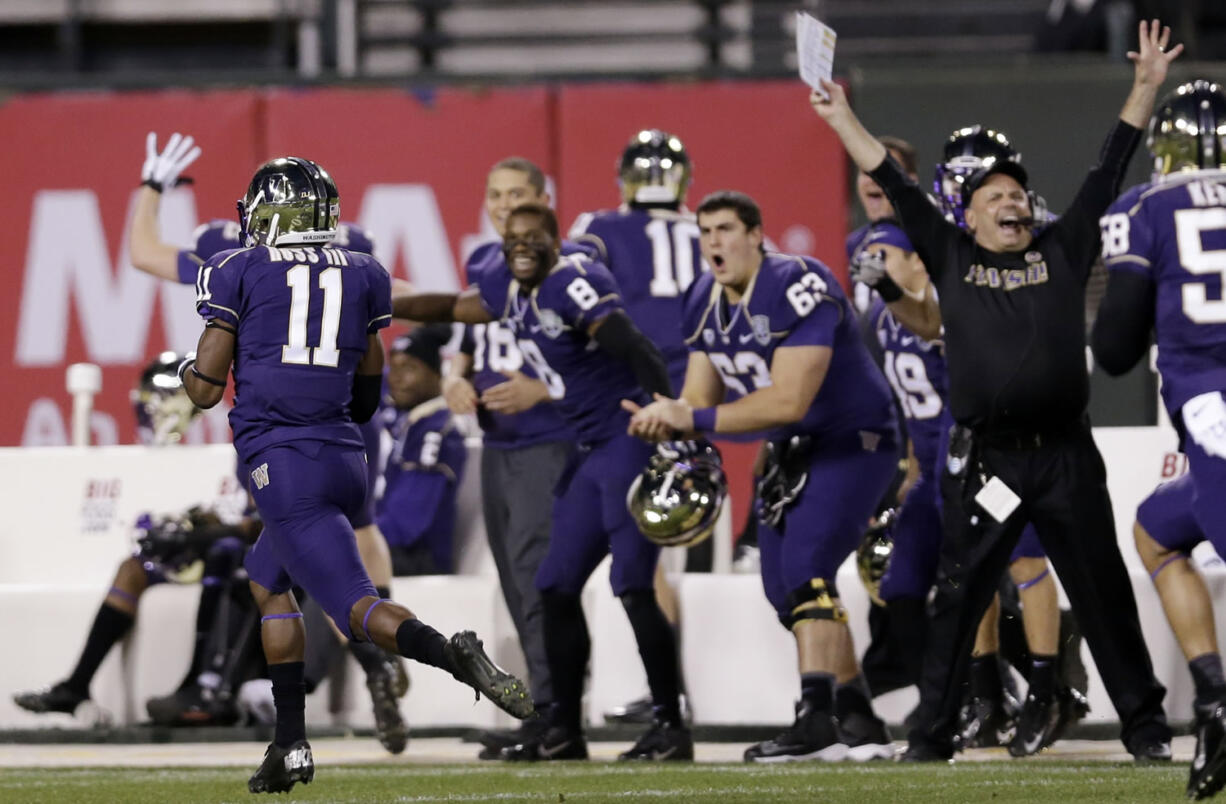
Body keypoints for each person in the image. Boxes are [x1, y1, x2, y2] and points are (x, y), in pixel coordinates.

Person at [810, 18, 1180, 763]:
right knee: (958, 601)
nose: (1011, 201)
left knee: (1104, 596)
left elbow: (1109, 169)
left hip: (1067, 458)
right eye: (995, 194)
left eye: (1018, 190)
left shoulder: (1064, 245)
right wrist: (842, 115)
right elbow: (889, 176)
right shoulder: (945, 252)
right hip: (990, 464)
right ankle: (933, 736)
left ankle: (1146, 731)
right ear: (967, 213)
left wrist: (1143, 88)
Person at [181, 155, 532, 793]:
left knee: (355, 607)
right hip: (346, 459)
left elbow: (205, 391)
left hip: (283, 465)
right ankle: (289, 743)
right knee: (267, 580)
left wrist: (188, 366)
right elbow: (370, 395)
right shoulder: (365, 271)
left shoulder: (235, 267)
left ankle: (451, 655)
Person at [392, 203, 692, 762]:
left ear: (556, 242)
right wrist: (386, 298)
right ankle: (564, 729)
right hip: (589, 451)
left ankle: (672, 724)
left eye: (534, 238)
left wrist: (673, 416)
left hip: (624, 439)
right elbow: (453, 307)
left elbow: (635, 345)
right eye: (514, 238)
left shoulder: (569, 283)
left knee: (633, 584)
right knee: (554, 586)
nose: (522, 246)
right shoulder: (507, 285)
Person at [627, 190, 899, 762]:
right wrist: (667, 421)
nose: (714, 243)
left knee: (806, 569)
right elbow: (700, 394)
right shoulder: (703, 295)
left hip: (855, 440)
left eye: (725, 229)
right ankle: (858, 713)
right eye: (705, 233)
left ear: (756, 234)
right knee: (784, 589)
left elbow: (789, 401)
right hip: (791, 451)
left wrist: (692, 416)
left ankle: (816, 717)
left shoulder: (800, 282)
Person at [854, 126, 1088, 757]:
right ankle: (976, 694)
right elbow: (926, 324)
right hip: (949, 459)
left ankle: (1047, 684)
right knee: (943, 578)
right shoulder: (926, 274)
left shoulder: (1017, 249)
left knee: (1023, 562)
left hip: (1018, 438)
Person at [1090, 78, 1226, 799]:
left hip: (1214, 414)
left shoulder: (1145, 207)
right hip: (1212, 429)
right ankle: (1212, 699)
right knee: (1154, 532)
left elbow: (1113, 350)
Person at [440, 157, 576, 756]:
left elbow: (605, 357)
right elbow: (469, 342)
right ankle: (543, 709)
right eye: (494, 194)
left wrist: (543, 389)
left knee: (537, 577)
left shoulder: (573, 269)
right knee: (518, 581)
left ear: (544, 200)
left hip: (550, 440)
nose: (502, 205)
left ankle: (556, 712)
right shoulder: (486, 264)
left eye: (516, 194)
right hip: (499, 444)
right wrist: (455, 378)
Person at [569, 128, 703, 725]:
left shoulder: (599, 227)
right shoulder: (710, 226)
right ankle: (670, 691)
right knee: (670, 537)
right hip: (703, 388)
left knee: (645, 547)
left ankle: (670, 694)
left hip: (635, 399)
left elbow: (571, 292)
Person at [378, 325, 467, 576]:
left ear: (436, 374)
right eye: (393, 368)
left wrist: (346, 541)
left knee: (319, 571)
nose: (396, 378)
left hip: (416, 558)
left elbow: (405, 525)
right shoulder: (403, 416)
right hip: (384, 546)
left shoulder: (437, 432)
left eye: (409, 368)